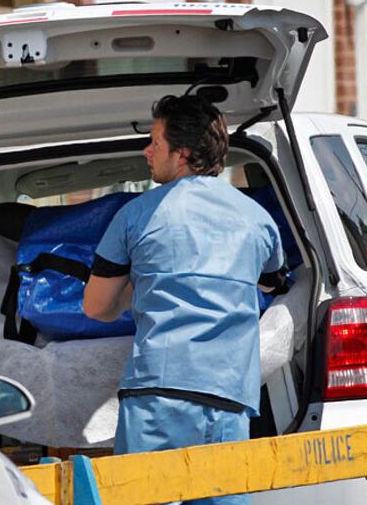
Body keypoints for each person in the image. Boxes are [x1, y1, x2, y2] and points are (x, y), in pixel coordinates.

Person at [82, 94, 286, 505]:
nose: (146, 150)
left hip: (157, 397)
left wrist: (132, 293)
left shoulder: (136, 215)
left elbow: (96, 307)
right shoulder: (258, 221)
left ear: (182, 155)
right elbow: (272, 283)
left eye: (155, 142)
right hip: (228, 400)